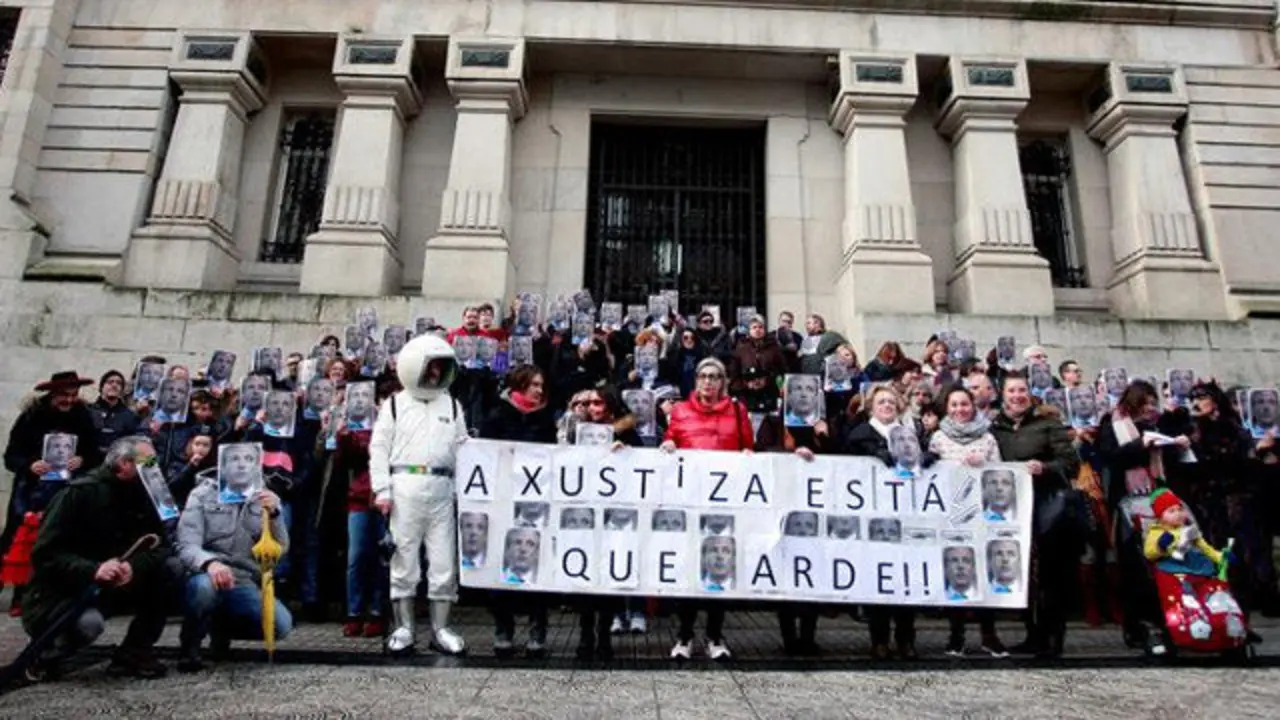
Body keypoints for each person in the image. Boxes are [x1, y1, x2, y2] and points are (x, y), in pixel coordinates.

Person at [21, 436, 176, 680]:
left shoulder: (146, 493)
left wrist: (132, 566)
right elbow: (45, 554)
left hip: (118, 578)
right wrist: (93, 569)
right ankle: (46, 653)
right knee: (89, 625)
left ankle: (134, 651)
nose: (153, 468)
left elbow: (160, 544)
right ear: (125, 463)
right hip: (67, 589)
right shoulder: (78, 494)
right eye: (148, 461)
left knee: (169, 571)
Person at [369, 334, 469, 656]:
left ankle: (440, 629)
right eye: (431, 367)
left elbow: (463, 448)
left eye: (441, 368)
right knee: (404, 559)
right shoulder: (395, 405)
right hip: (404, 489)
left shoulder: (452, 405)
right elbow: (379, 448)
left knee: (443, 561)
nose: (436, 374)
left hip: (442, 490)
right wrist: (382, 490)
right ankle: (404, 627)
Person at [661, 357, 753, 661]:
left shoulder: (738, 411)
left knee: (719, 567)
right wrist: (669, 445)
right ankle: (685, 636)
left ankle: (715, 636)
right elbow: (669, 441)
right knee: (689, 570)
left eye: (715, 376)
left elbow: (748, 449)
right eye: (703, 376)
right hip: (690, 502)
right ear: (696, 380)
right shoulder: (681, 411)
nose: (708, 382)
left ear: (723, 381)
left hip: (724, 504)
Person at [990, 373, 1081, 659]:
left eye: (1022, 390)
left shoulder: (1048, 424)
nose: (1017, 395)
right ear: (1002, 395)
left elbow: (1070, 463)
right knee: (1024, 574)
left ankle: (1053, 638)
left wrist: (1045, 467)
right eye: (1012, 391)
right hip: (1012, 510)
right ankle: (1033, 634)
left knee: (1053, 575)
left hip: (1048, 505)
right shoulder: (995, 429)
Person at [839, 384, 928, 660]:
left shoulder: (910, 435)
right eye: (881, 402)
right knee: (877, 578)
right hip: (873, 515)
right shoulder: (859, 435)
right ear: (871, 407)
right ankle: (879, 639)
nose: (887, 406)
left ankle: (906, 638)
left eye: (891, 401)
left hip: (906, 514)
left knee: (905, 579)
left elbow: (925, 461)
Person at [3, 371, 104, 613]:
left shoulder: (82, 417)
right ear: (52, 394)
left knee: (56, 541)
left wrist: (82, 459)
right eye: (63, 396)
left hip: (66, 491)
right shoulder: (31, 416)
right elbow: (11, 455)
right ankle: (19, 595)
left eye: (73, 395)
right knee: (22, 540)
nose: (69, 400)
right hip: (32, 490)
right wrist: (30, 464)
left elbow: (94, 454)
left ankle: (47, 595)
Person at [175, 462, 290, 672]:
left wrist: (275, 515)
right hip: (204, 573)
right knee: (203, 589)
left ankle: (220, 627)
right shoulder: (201, 494)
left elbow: (279, 550)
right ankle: (190, 644)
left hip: (242, 577)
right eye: (234, 460)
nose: (241, 466)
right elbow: (186, 545)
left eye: (248, 460)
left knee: (280, 625)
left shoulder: (265, 496)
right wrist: (209, 563)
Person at [480, 365, 558, 657]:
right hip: (503, 501)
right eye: (533, 384)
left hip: (536, 503)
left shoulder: (545, 419)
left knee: (537, 564)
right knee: (503, 566)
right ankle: (504, 627)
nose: (539, 390)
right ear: (519, 385)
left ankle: (538, 629)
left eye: (541, 385)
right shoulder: (497, 415)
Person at [928, 385, 1008, 657]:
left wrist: (983, 466)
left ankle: (989, 634)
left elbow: (1001, 473)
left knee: (985, 572)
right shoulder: (938, 437)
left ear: (972, 406)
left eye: (964, 404)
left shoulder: (987, 438)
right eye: (954, 405)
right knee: (956, 572)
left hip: (981, 513)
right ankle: (956, 635)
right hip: (951, 514)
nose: (959, 410)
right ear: (946, 408)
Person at [1143, 489, 1223, 575]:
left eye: (1180, 509)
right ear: (1161, 517)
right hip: (1170, 566)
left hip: (1188, 561)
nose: (1178, 513)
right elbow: (1148, 553)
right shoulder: (1156, 531)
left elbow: (1205, 548)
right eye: (1171, 511)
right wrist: (1159, 547)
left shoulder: (1188, 529)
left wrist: (1220, 558)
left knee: (1206, 562)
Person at [87, 370, 141, 456]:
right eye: (110, 382)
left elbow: (140, 444)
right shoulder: (88, 411)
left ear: (122, 390)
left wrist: (148, 467)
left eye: (119, 383)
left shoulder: (129, 416)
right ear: (101, 388)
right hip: (89, 463)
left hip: (117, 464)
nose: (114, 385)